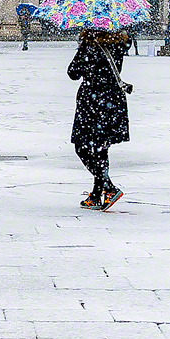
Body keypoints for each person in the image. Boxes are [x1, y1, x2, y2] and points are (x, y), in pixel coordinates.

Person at [68, 29, 132, 210]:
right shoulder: (119, 44)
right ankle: (96, 196)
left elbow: (72, 72)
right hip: (112, 100)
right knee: (101, 148)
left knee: (82, 147)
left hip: (92, 101)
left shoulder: (89, 47)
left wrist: (84, 50)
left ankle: (108, 186)